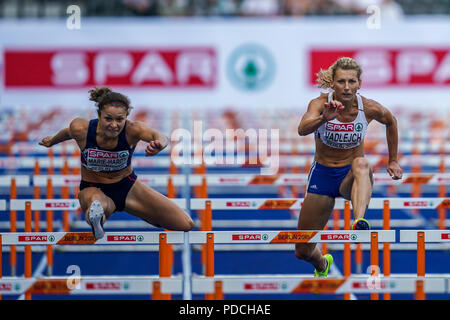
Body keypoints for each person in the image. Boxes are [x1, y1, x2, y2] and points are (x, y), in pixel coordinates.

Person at [39, 87, 194, 239]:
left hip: (127, 186)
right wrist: (52, 140)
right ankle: (97, 217)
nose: (114, 125)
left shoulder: (133, 130)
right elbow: (67, 132)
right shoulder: (81, 129)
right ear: (99, 115)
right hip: (93, 186)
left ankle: (148, 216)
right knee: (97, 203)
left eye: (120, 119)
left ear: (126, 117)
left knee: (185, 224)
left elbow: (158, 135)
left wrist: (159, 144)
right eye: (108, 119)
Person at [296, 57, 403, 277]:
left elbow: (391, 121)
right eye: (341, 81)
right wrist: (323, 118)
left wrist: (393, 159)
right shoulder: (319, 104)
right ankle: (322, 264)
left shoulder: (369, 107)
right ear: (332, 83)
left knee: (362, 162)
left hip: (351, 177)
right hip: (323, 175)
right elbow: (302, 129)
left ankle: (359, 220)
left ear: (359, 84)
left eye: (352, 82)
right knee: (302, 250)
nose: (347, 87)